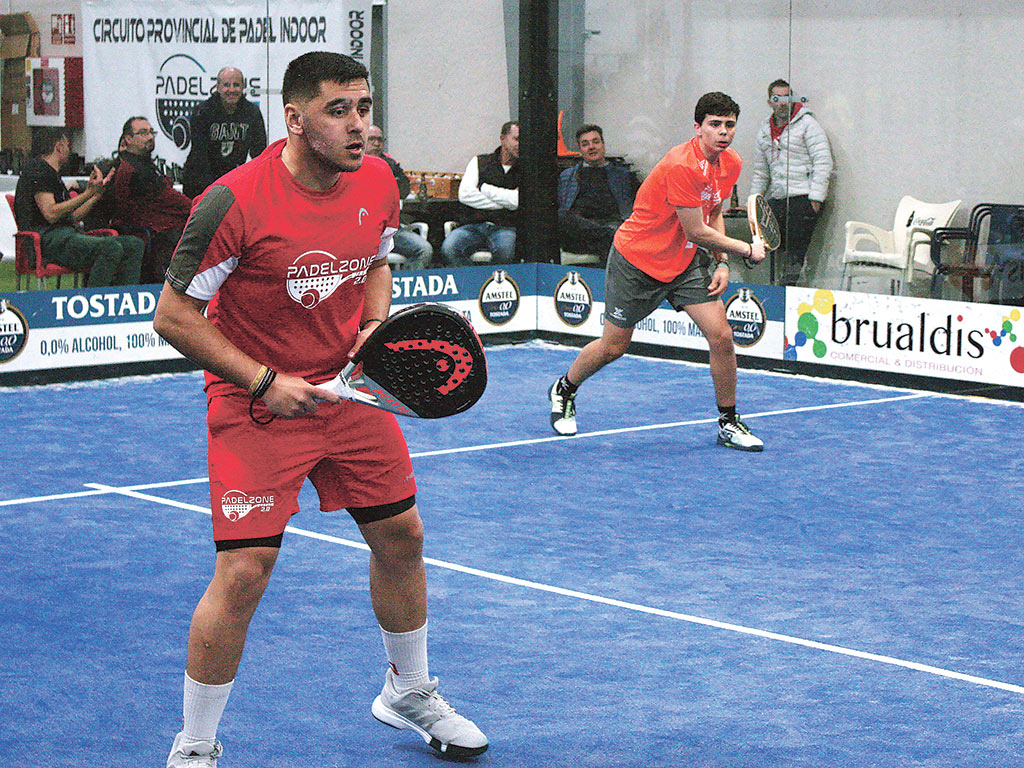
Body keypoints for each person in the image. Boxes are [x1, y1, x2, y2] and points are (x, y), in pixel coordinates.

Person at [153, 52, 488, 767]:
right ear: (296, 120)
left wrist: (373, 330)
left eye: (364, 107)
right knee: (243, 573)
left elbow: (374, 261)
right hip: (256, 403)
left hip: (350, 389)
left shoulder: (377, 180)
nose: (359, 125)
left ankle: (408, 691)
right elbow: (174, 316)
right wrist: (264, 381)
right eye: (339, 111)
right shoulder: (234, 201)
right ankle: (195, 745)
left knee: (402, 535)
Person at [547, 92, 766, 452]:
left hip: (684, 264)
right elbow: (696, 229)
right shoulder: (681, 165)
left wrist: (723, 262)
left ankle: (728, 422)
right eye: (714, 124)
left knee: (721, 336)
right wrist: (744, 250)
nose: (723, 132)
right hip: (637, 261)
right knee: (613, 347)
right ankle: (564, 388)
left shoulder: (732, 163)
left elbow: (713, 213)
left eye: (729, 125)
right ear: (698, 128)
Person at [12, 127, 143, 287]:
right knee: (110, 248)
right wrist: (88, 193)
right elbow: (50, 213)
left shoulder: (52, 174)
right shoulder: (38, 170)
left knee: (134, 245)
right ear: (58, 146)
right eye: (67, 145)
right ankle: (93, 302)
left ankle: (124, 300)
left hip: (65, 237)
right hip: (46, 241)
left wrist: (96, 194)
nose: (69, 150)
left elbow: (73, 216)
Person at [748, 79, 833, 286]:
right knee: (767, 249)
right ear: (770, 102)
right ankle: (774, 290)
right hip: (778, 199)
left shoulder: (807, 125)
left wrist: (815, 199)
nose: (783, 103)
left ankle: (790, 291)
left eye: (787, 97)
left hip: (802, 199)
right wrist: (753, 204)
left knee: (796, 254)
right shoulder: (764, 131)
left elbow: (823, 161)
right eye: (777, 98)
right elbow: (761, 173)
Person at [112, 117, 193, 283]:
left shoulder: (142, 164)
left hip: (155, 225)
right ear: (128, 139)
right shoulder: (133, 168)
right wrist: (197, 208)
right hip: (146, 230)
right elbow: (167, 199)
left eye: (151, 132)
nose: (149, 137)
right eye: (143, 133)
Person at [557, 124, 640, 264]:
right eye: (585, 144)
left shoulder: (624, 176)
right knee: (562, 216)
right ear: (580, 150)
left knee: (614, 238)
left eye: (595, 142)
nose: (591, 147)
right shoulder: (567, 176)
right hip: (581, 231)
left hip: (612, 225)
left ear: (603, 145)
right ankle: (609, 237)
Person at [182, 66, 268, 199]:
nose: (232, 90)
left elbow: (259, 152)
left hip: (233, 179)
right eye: (226, 85)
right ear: (218, 87)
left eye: (236, 85)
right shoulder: (203, 112)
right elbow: (199, 156)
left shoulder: (252, 113)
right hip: (200, 180)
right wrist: (213, 192)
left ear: (243, 87)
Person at [440, 121, 519, 265]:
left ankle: (494, 286)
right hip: (472, 225)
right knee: (449, 248)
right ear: (502, 138)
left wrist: (484, 189)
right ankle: (470, 285)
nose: (520, 145)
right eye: (516, 139)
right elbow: (465, 195)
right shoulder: (480, 162)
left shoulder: (526, 167)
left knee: (506, 251)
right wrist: (505, 201)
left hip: (506, 227)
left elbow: (517, 201)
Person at [366, 124, 433, 269]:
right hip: (363, 231)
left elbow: (404, 188)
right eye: (372, 139)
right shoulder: (352, 164)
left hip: (391, 230)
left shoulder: (390, 163)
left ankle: (405, 287)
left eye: (380, 140)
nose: (376, 144)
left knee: (424, 250)